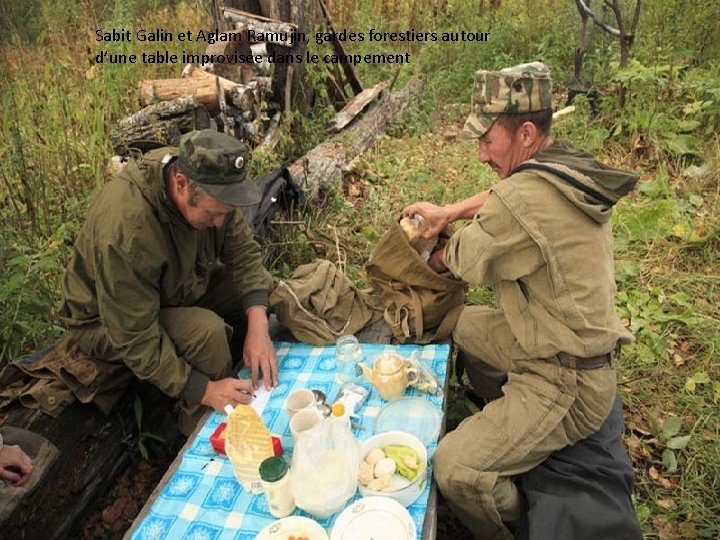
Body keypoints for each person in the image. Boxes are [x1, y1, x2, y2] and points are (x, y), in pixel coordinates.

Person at [403, 62, 642, 538]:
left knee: (455, 468)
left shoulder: (523, 201)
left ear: (527, 133)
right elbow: (503, 193)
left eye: (487, 141)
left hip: (566, 377)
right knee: (466, 324)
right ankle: (511, 421)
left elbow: (463, 258)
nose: (480, 154)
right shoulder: (564, 164)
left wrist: (428, 250)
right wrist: (451, 210)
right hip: (557, 342)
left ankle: (519, 513)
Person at [60, 129, 278, 434]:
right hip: (108, 323)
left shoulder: (206, 183)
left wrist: (258, 326)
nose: (219, 223)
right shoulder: (127, 230)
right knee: (207, 333)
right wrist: (205, 390)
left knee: (260, 295)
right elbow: (133, 337)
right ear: (180, 185)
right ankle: (200, 431)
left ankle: (245, 368)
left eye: (224, 214)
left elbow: (243, 255)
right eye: (213, 214)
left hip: (172, 289)